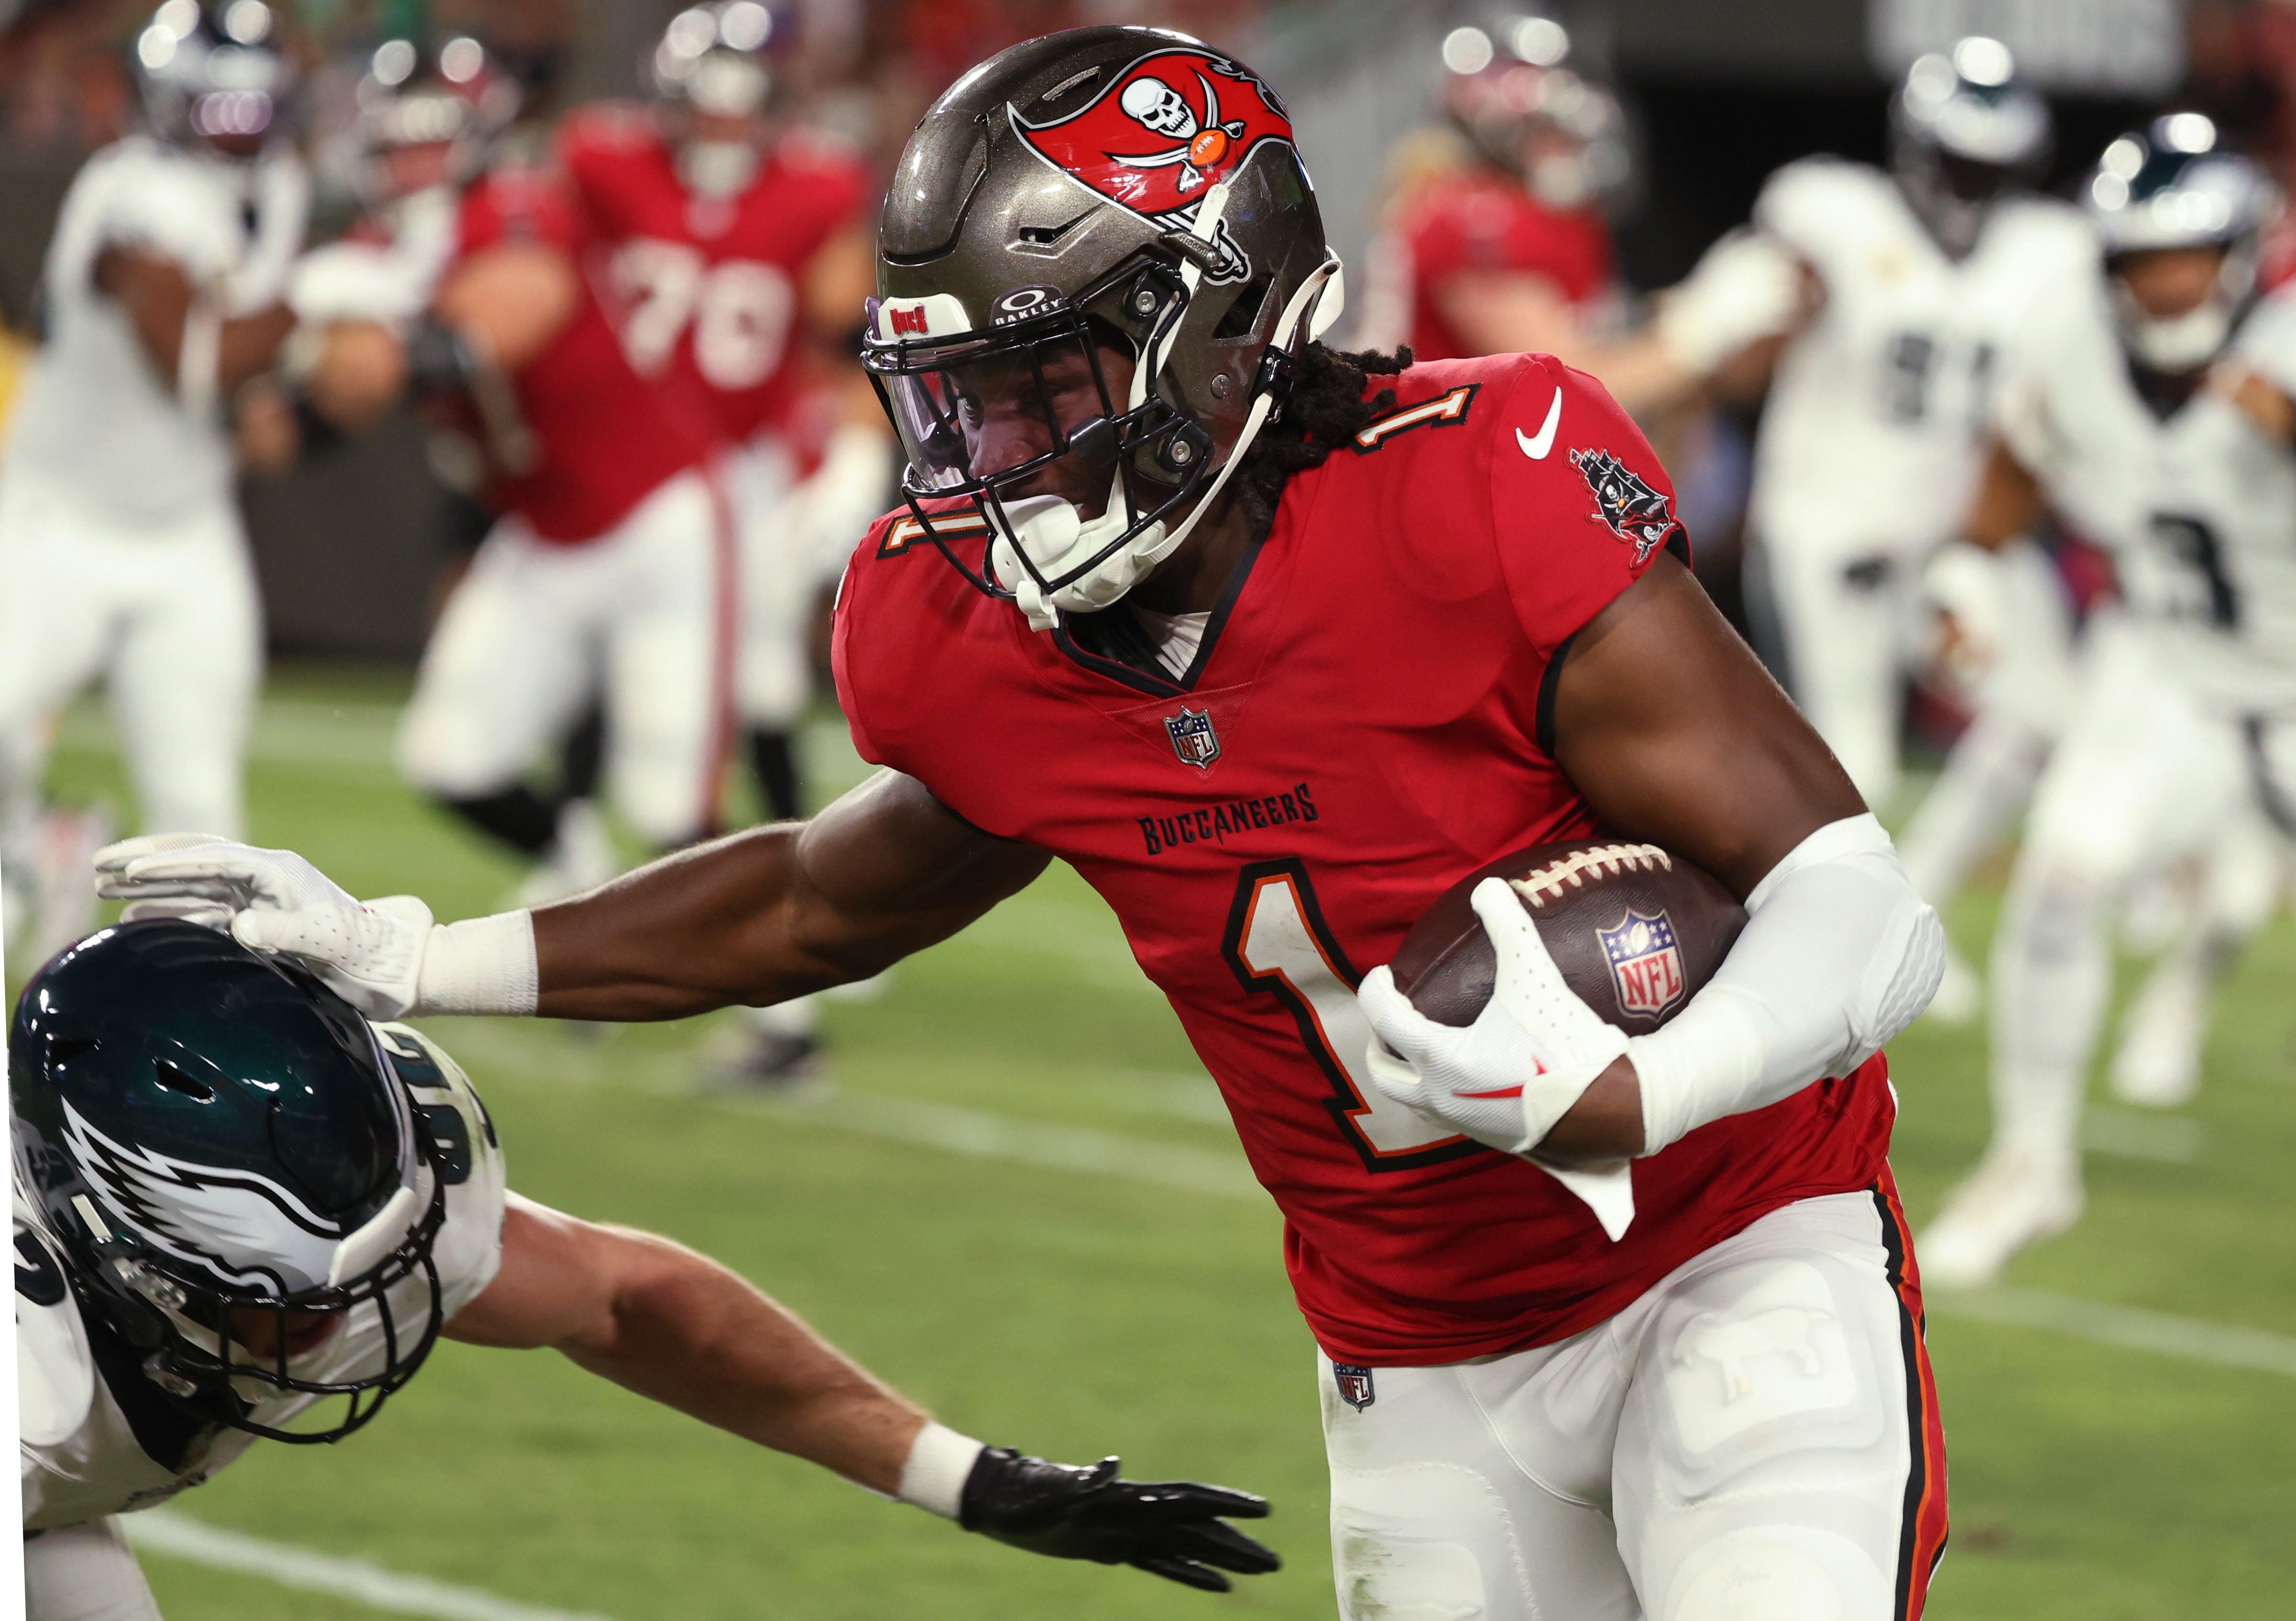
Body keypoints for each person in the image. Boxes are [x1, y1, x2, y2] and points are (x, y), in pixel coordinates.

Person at [97, 27, 1950, 1621]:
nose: (992, 458)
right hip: (1414, 1346)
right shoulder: (973, 629)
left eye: (1045, 383)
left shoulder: (1480, 487)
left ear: (1220, 324)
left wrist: (1656, 1082)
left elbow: (1859, 899)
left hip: (1728, 1254)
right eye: (961, 399)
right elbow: (828, 899)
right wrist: (407, 951)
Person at [14, 920, 1280, 1618]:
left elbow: (627, 1299)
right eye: (270, 1302)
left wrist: (968, 1477)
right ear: (96, 1233)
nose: (339, 1329)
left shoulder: (367, 1240)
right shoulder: (30, 1379)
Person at [1916, 117, 2296, 1285]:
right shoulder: (2072, 339)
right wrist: (1969, 570)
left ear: (2237, 254)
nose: (2166, 282)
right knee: (2065, 875)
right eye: (2142, 259)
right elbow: (2016, 460)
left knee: (2225, 898)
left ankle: (2176, 1003)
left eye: (2185, 256)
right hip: (2170, 661)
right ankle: (2033, 1160)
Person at [305, 37, 736, 892]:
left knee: (668, 801)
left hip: (654, 520)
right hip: (541, 532)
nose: (409, 165)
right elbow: (331, 400)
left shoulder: (515, 204)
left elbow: (506, 315)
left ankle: (785, 1011)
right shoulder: (375, 247)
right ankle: (577, 872)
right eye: (395, 143)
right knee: (451, 757)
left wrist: (377, 323)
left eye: (429, 140)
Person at [556, 0, 893, 1086]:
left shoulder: (818, 188)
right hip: (661, 472)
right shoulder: (605, 167)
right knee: (721, 703)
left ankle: (805, 935)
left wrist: (844, 465)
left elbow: (848, 337)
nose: (723, 127)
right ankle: (793, 941)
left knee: (727, 709)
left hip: (759, 478)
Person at [0, 1, 306, 968]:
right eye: (217, 104)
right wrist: (328, 299)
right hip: (60, 520)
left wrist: (275, 392)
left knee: (203, 828)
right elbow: (194, 360)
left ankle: (180, 1069)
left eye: (252, 105)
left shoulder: (285, 187)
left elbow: (251, 401)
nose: (236, 126)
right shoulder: (126, 188)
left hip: (187, 532)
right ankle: (27, 854)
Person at [1721, 37, 2096, 812]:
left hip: (1964, 540)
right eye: (1958, 162)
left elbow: (2049, 414)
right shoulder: (1830, 212)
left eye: (1989, 169)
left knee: (2044, 718)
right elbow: (1736, 366)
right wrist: (1776, 308)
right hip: (1829, 535)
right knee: (1852, 769)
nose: (1969, 187)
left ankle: (1925, 884)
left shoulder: (2050, 251)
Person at [1353, 12, 1797, 414]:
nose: (1576, 148)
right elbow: (1567, 382)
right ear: (1507, 134)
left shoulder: (1554, 219)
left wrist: (1681, 318)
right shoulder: (1471, 220)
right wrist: (1701, 332)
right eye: (1554, 131)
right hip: (1432, 467)